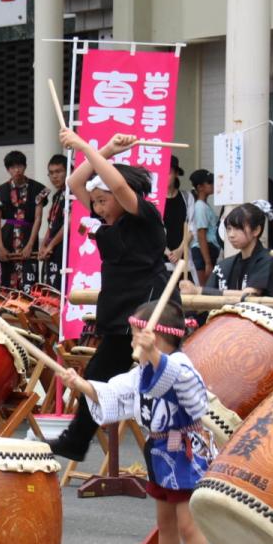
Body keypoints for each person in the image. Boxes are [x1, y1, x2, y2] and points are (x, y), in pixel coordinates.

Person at [66, 301, 217, 544]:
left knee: (189, 525)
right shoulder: (143, 369)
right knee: (165, 522)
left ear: (158, 336)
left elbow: (183, 396)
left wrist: (154, 356)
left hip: (186, 451)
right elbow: (117, 392)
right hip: (160, 448)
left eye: (138, 333)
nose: (133, 339)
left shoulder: (181, 366)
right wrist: (82, 385)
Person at [48, 130, 170, 461]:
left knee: (156, 383)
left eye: (103, 201)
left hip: (149, 314)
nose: (98, 207)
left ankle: (172, 450)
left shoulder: (143, 215)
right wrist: (107, 148)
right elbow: (75, 182)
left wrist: (85, 146)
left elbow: (117, 186)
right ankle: (77, 440)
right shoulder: (108, 218)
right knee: (99, 377)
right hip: (118, 314)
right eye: (96, 202)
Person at [181, 202, 273, 299]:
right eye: (229, 229)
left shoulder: (268, 261)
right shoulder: (224, 265)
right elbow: (206, 298)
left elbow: (249, 294)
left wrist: (199, 290)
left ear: (256, 230)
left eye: (238, 228)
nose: (231, 235)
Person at [0, 151, 47, 294]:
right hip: (7, 236)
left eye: (20, 166)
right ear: (8, 169)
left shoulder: (38, 189)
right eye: (12, 167)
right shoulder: (0, 191)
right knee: (7, 278)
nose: (17, 170)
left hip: (28, 235)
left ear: (25, 166)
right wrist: (0, 245)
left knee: (29, 279)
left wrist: (30, 245)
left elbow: (38, 219)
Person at [37, 154, 68, 288]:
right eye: (51, 173)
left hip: (64, 247)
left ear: (68, 171)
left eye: (58, 172)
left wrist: (50, 246)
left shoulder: (72, 193)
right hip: (53, 248)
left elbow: (69, 223)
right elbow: (51, 225)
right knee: (48, 286)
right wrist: (43, 246)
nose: (54, 176)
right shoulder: (56, 195)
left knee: (59, 287)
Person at [188, 170, 219, 285]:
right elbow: (201, 235)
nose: (213, 185)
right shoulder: (200, 206)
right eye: (209, 182)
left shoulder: (204, 205)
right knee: (204, 289)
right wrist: (208, 263)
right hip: (203, 253)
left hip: (206, 251)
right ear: (200, 187)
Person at [161, 157, 192, 260]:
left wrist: (179, 250)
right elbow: (149, 231)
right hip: (159, 262)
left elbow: (192, 227)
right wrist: (167, 252)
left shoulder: (187, 197)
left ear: (176, 174)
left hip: (183, 259)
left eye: (168, 172)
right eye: (162, 171)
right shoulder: (154, 200)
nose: (165, 175)